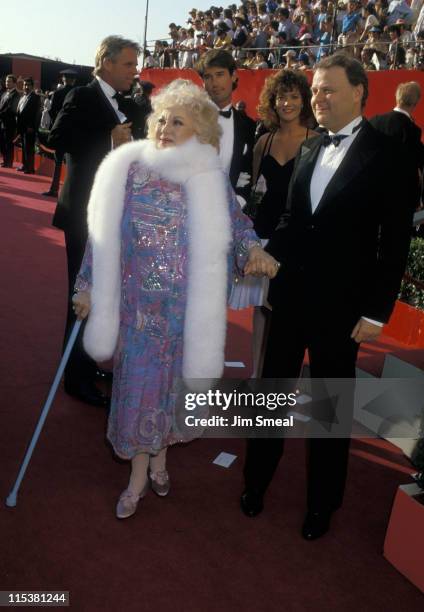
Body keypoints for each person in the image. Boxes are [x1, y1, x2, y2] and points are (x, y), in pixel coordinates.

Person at [72, 79, 278, 519]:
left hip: (188, 313)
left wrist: (254, 250)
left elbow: (238, 226)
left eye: (177, 121)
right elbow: (102, 235)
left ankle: (162, 460)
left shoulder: (209, 179)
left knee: (173, 393)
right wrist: (86, 286)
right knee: (139, 390)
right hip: (139, 312)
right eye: (161, 118)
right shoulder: (129, 171)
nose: (165, 127)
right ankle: (138, 478)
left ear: (199, 132)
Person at [241, 54, 418, 540]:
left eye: (328, 90)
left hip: (344, 308)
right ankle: (255, 482)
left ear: (360, 91)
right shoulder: (311, 147)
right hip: (290, 296)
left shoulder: (388, 152)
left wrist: (377, 311)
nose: (317, 98)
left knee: (328, 408)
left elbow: (395, 240)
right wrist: (265, 253)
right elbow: (292, 223)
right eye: (315, 90)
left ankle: (323, 503)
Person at [48, 35, 144, 408]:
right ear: (105, 61)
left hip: (113, 215)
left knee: (103, 296)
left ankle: (87, 364)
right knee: (82, 294)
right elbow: (57, 137)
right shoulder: (83, 95)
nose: (134, 70)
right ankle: (74, 378)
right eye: (128, 63)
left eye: (135, 64)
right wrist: (107, 138)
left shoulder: (129, 102)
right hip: (84, 214)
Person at [250, 70, 317, 378]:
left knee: (285, 311)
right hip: (263, 233)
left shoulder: (316, 141)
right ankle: (255, 375)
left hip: (296, 238)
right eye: (281, 97)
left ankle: (275, 379)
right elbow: (254, 188)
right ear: (272, 102)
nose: (287, 103)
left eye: (293, 96)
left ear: (304, 101)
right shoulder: (264, 141)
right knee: (261, 308)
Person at [196, 49, 256, 205]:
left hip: (229, 213)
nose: (214, 83)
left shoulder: (248, 125)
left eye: (220, 74)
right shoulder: (190, 118)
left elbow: (245, 171)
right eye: (208, 77)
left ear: (233, 76)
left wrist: (237, 204)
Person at [370, 81, 424, 176]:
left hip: (372, 182)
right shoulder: (412, 130)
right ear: (415, 104)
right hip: (400, 187)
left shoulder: (374, 121)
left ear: (397, 98)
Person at [42, 69, 78, 198]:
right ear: (74, 80)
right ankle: (71, 191)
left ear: (63, 79)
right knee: (71, 163)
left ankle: (54, 188)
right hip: (74, 132)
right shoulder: (78, 93)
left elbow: (51, 112)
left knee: (58, 162)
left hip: (61, 131)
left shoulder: (58, 93)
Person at [16, 77, 41, 175]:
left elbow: (36, 114)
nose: (25, 87)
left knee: (29, 148)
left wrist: (31, 126)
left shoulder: (35, 97)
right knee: (24, 147)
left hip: (29, 127)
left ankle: (30, 168)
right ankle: (24, 165)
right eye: (24, 85)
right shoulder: (23, 97)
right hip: (22, 126)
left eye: (28, 85)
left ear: (32, 86)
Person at [0, 74, 20, 168]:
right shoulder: (4, 93)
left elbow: (11, 109)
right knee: (2, 142)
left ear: (14, 83)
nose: (7, 83)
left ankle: (9, 162)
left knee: (8, 143)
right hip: (2, 122)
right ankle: (5, 160)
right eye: (6, 81)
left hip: (9, 123)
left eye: (9, 81)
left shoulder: (16, 94)